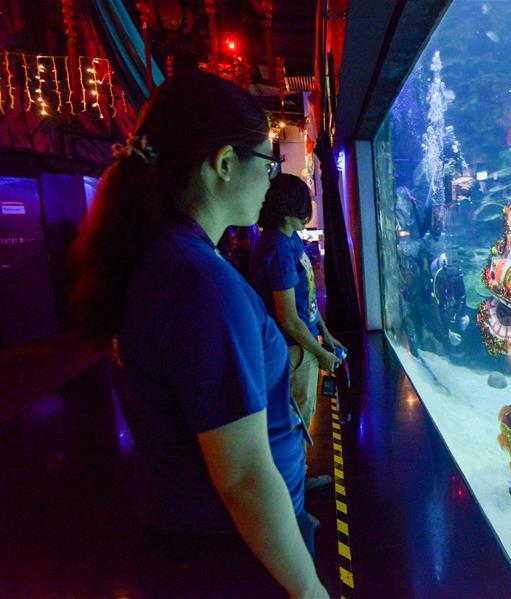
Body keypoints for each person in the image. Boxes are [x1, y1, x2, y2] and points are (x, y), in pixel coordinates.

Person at [69, 70, 327, 598]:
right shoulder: (201, 285)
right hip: (230, 554)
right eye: (268, 163)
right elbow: (243, 478)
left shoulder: (165, 257)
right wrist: (308, 588)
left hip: (195, 543)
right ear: (224, 165)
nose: (271, 180)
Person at [249, 174, 345, 449]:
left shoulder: (290, 240)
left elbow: (308, 297)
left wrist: (326, 334)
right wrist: (321, 353)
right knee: (296, 420)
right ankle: (296, 485)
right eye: (304, 202)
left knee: (304, 413)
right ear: (290, 206)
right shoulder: (277, 248)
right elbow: (288, 318)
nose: (308, 209)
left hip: (304, 343)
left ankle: (300, 477)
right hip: (293, 349)